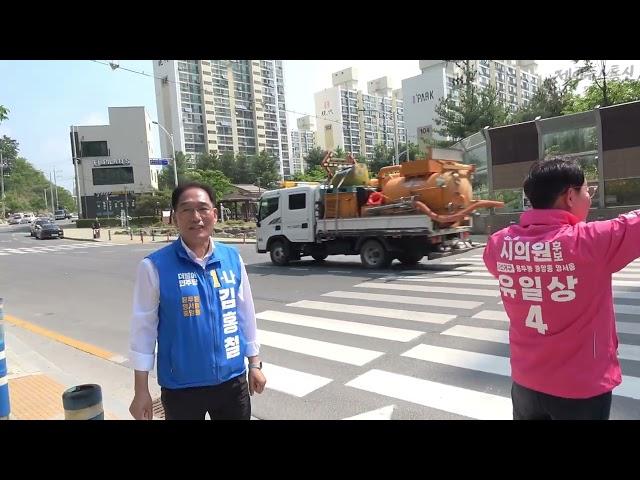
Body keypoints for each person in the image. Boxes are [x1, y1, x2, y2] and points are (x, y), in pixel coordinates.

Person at [483, 157, 640, 420]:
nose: (589, 197)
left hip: (526, 383)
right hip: (581, 389)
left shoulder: (500, 244)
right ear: (570, 196)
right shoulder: (591, 242)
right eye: (587, 190)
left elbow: (496, 264)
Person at [128, 182, 266, 420]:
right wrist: (141, 391)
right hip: (182, 388)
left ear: (215, 213)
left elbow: (245, 313)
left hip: (232, 381)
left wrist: (254, 364)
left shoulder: (231, 258)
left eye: (203, 208)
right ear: (174, 218)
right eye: (186, 209)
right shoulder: (154, 267)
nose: (196, 217)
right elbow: (143, 332)